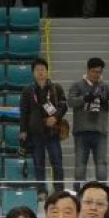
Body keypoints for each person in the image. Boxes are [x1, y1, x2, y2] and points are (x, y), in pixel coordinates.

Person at [20, 58, 67, 196]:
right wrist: (23, 130)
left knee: (57, 161)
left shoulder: (56, 88)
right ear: (33, 73)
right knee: (38, 162)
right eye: (37, 70)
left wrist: (56, 117)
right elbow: (24, 112)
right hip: (35, 132)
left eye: (42, 69)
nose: (40, 72)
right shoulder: (28, 91)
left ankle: (59, 190)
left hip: (53, 132)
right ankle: (41, 190)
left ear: (47, 71)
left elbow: (64, 106)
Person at [69, 57, 109, 186]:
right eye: (94, 71)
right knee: (80, 164)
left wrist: (105, 102)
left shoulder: (105, 87)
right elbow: (70, 102)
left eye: (99, 72)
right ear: (88, 71)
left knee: (101, 163)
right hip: (81, 130)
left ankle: (103, 190)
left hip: (100, 130)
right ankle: (78, 191)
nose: (96, 74)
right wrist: (85, 98)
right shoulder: (77, 85)